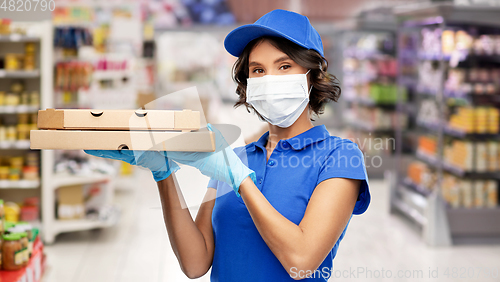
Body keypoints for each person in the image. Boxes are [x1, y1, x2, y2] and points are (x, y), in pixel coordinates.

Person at [85, 9, 370, 281]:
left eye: (284, 66)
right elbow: (196, 263)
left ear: (312, 75)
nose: (269, 79)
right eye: (257, 70)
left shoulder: (340, 157)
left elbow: (302, 260)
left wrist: (241, 180)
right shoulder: (236, 156)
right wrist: (163, 172)